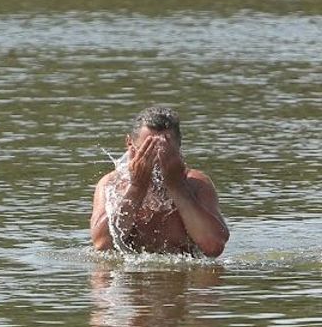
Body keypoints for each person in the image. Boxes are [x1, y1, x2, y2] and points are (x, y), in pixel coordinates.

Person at [90, 106, 229, 257]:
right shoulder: (111, 184)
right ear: (130, 145)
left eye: (164, 151)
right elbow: (102, 244)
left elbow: (214, 246)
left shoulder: (196, 183)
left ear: (178, 147)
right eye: (148, 149)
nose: (157, 159)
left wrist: (176, 187)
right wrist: (137, 187)